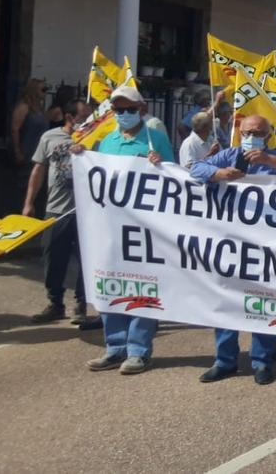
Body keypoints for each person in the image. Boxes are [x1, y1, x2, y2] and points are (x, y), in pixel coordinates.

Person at [189, 114, 276, 385]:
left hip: (265, 246)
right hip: (229, 243)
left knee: (264, 300)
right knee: (225, 300)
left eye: (258, 132)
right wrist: (217, 174)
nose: (251, 136)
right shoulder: (227, 155)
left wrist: (268, 161)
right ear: (239, 133)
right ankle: (224, 360)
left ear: (268, 135)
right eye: (247, 132)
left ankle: (263, 361)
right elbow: (195, 168)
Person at [73, 85, 174, 375]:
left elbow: (174, 178)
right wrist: (81, 154)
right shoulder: (107, 141)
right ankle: (114, 347)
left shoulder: (155, 139)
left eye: (130, 109)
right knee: (111, 282)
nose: (125, 114)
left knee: (143, 285)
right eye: (119, 110)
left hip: (143, 228)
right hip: (109, 226)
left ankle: (138, 350)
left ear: (141, 110)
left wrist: (161, 164)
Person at [23, 99, 94, 325]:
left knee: (87, 260)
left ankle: (81, 304)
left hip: (87, 212)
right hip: (56, 209)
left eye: (90, 117)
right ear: (69, 117)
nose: (88, 120)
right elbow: (38, 169)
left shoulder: (96, 139)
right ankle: (55, 303)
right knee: (53, 258)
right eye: (83, 116)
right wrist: (29, 202)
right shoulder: (50, 137)